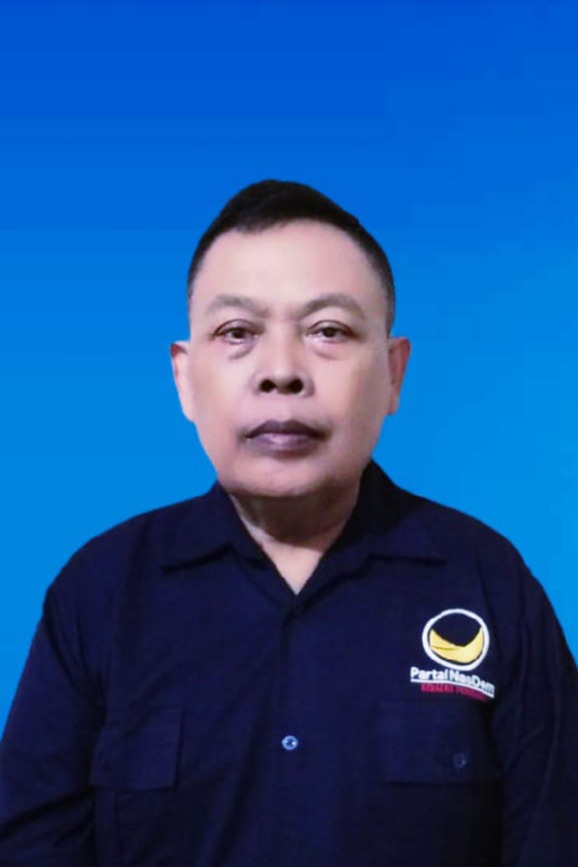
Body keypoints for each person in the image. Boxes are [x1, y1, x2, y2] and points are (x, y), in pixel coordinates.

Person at [0, 179, 576, 867]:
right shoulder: (99, 594)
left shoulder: (489, 583)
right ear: (184, 378)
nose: (281, 372)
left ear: (393, 373)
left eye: (328, 331)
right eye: (237, 333)